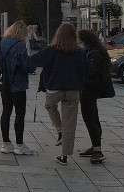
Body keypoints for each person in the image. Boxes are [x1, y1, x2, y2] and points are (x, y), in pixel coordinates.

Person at [31, 23, 89, 165]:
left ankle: (59, 129)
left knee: (49, 106)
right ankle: (64, 155)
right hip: (73, 89)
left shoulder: (52, 50)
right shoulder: (79, 51)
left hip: (54, 87)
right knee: (70, 123)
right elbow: (87, 69)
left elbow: (34, 60)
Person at [0, 21, 37, 156]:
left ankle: (6, 143)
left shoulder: (3, 42)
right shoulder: (19, 45)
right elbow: (26, 66)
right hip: (18, 84)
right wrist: (33, 64)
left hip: (5, 82)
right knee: (20, 113)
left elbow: (0, 59)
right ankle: (19, 145)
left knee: (6, 111)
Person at [76, 30, 115, 164]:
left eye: (79, 39)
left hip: (89, 89)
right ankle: (95, 146)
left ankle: (97, 150)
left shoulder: (94, 53)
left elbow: (91, 71)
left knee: (90, 118)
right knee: (92, 117)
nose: (78, 42)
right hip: (90, 88)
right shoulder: (94, 51)